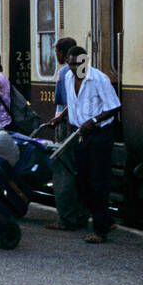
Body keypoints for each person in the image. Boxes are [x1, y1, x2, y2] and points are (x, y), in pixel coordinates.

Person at [50, 46, 121, 243]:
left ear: (86, 60)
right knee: (81, 181)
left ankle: (100, 231)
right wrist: (61, 117)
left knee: (98, 182)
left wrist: (94, 121)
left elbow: (114, 107)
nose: (74, 68)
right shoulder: (67, 78)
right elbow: (73, 104)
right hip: (79, 134)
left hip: (99, 135)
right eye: (70, 64)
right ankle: (106, 220)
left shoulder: (99, 79)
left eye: (78, 63)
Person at [44, 37, 91, 232]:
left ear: (62, 52)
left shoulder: (65, 72)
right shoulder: (86, 69)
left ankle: (66, 217)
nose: (56, 55)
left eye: (57, 51)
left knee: (62, 172)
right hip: (81, 126)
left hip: (66, 125)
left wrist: (58, 119)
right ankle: (81, 214)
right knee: (78, 171)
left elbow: (63, 101)